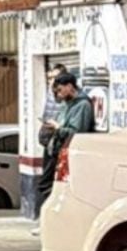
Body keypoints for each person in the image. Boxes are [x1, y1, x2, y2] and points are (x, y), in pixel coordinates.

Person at [34, 72, 95, 222]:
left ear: (70, 86)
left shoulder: (82, 106)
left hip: (66, 152)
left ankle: (52, 220)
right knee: (46, 185)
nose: (59, 94)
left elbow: (76, 132)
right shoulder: (66, 105)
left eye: (60, 90)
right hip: (54, 150)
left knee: (51, 187)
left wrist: (58, 128)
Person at [34, 64, 67, 221]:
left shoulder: (65, 99)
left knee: (49, 183)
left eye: (54, 78)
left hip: (58, 143)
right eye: (49, 78)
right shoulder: (51, 94)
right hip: (49, 142)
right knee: (46, 181)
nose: (51, 82)